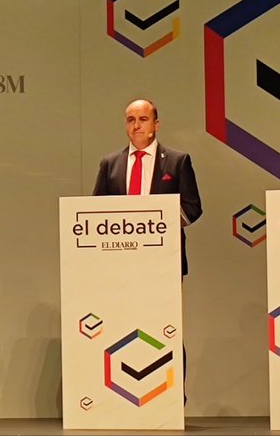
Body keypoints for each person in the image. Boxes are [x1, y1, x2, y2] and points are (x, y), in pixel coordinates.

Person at [91, 99, 202, 401]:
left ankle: (171, 396)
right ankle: (125, 393)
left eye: (143, 119)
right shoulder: (110, 163)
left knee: (166, 328)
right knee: (121, 327)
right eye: (130, 119)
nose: (136, 125)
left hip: (164, 263)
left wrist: (159, 226)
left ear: (156, 124)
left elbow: (193, 207)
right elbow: (97, 211)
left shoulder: (177, 161)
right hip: (120, 263)